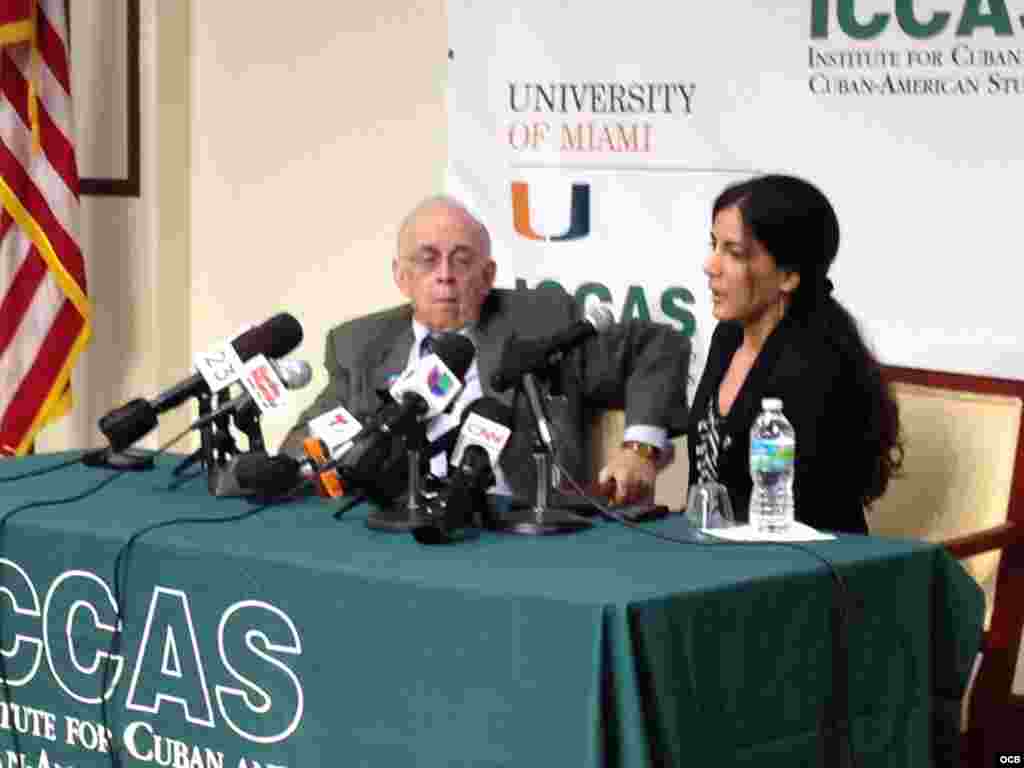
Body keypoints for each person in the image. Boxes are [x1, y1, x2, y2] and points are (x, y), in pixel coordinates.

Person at [280, 195, 690, 505]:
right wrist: (297, 466)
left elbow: (657, 346)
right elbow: (310, 436)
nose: (444, 276)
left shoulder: (540, 324)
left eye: (461, 261)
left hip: (517, 526)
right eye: (427, 261)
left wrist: (640, 449)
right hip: (396, 524)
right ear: (401, 277)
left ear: (488, 274)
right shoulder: (361, 345)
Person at [687, 174, 902, 533]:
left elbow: (801, 510)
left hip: (795, 567)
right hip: (712, 549)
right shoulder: (728, 336)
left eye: (734, 252)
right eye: (714, 245)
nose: (711, 265)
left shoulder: (818, 362)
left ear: (788, 276)